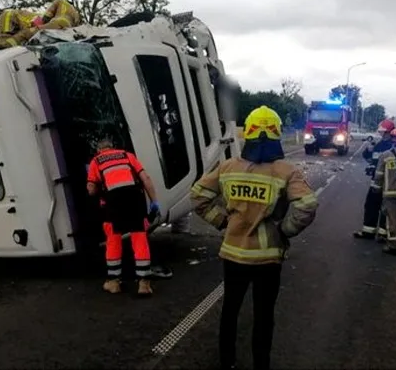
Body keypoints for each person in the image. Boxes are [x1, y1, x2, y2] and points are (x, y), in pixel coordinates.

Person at [190, 105, 318, 370]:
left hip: (233, 254)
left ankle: (227, 362)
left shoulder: (228, 167)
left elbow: (199, 195)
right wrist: (285, 229)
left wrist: (222, 221)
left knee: (230, 310)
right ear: (276, 134)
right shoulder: (285, 171)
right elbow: (307, 204)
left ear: (247, 133)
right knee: (263, 315)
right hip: (268, 258)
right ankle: (261, 364)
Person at [86, 138, 160, 295]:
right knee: (139, 239)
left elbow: (91, 189)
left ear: (99, 150)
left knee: (113, 240)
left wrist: (95, 188)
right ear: (113, 147)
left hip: (112, 203)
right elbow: (145, 178)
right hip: (134, 200)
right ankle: (144, 284)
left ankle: (113, 283)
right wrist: (154, 202)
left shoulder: (96, 161)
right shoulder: (127, 155)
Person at [355, 119, 396, 240]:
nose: (381, 134)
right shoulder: (381, 144)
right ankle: (375, 232)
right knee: (374, 206)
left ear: (388, 132)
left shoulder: (388, 146)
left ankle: (377, 233)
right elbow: (370, 158)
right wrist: (368, 149)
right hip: (382, 182)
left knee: (378, 206)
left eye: (383, 132)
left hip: (384, 182)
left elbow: (377, 161)